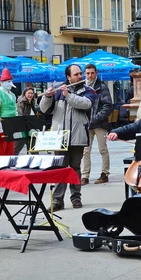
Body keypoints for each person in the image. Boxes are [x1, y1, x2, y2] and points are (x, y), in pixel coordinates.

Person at [40, 64, 95, 211]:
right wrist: (47, 96)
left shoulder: (88, 91)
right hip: (60, 137)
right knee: (60, 168)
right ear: (68, 77)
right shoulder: (59, 91)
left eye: (80, 74)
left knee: (75, 168)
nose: (80, 77)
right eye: (76, 75)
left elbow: (86, 104)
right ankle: (58, 201)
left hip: (78, 136)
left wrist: (68, 96)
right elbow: (44, 109)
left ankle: (76, 198)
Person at [81, 64, 113, 185]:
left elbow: (108, 105)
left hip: (99, 123)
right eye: (88, 73)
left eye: (92, 73)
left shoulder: (102, 87)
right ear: (85, 73)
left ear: (96, 73)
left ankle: (104, 173)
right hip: (86, 123)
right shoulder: (82, 87)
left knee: (103, 149)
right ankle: (85, 175)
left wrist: (97, 117)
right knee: (85, 150)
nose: (90, 75)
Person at [0, 68, 18, 157]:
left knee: (10, 148)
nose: (10, 84)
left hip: (11, 123)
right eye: (7, 82)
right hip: (1, 123)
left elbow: (15, 108)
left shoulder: (12, 95)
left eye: (10, 81)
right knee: (1, 149)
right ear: (1, 82)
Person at [14, 87, 38, 155]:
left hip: (31, 128)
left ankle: (36, 162)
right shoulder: (21, 103)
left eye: (32, 93)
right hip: (22, 128)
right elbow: (20, 115)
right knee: (18, 146)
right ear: (24, 94)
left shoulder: (32, 102)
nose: (30, 95)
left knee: (33, 147)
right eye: (29, 93)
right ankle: (11, 161)